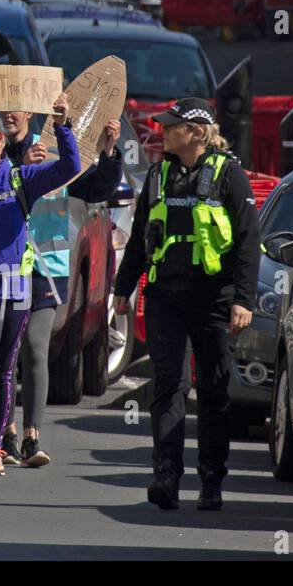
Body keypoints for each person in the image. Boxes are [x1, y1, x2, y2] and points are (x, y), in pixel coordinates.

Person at [0, 98, 125, 466]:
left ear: (3, 142)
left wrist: (64, 123)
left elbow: (71, 167)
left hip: (14, 284)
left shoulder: (25, 176)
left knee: (8, 366)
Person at [113, 98, 259, 511]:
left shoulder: (229, 175)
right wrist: (123, 288)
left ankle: (211, 478)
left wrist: (243, 300)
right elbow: (142, 235)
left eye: (171, 126)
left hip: (216, 299)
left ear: (196, 132)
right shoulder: (159, 175)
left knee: (213, 390)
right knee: (169, 385)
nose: (162, 131)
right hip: (166, 297)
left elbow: (249, 242)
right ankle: (166, 474)